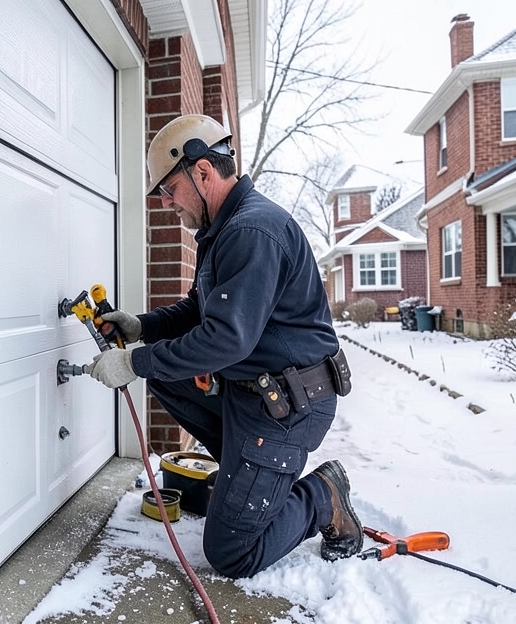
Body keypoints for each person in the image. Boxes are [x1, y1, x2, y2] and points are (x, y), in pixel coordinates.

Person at [84, 114, 361, 578]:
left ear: (203, 171)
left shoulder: (252, 231)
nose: (168, 202)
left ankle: (322, 496)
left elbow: (226, 338)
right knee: (166, 376)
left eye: (169, 189)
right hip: (255, 394)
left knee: (232, 553)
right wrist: (141, 328)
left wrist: (135, 362)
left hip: (289, 405)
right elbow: (199, 311)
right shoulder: (222, 233)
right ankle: (250, 476)